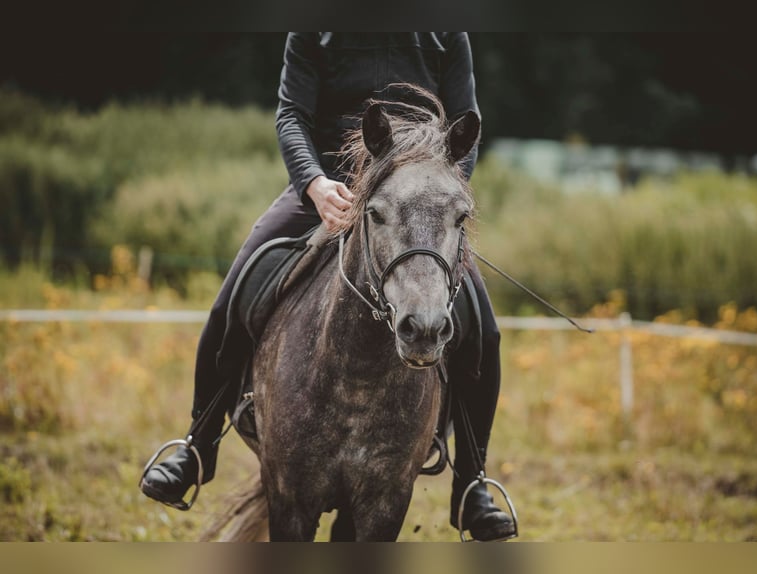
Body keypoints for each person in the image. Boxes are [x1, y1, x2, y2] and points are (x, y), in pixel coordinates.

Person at [140, 32, 515, 541]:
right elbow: (291, 115)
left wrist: (438, 190)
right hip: (329, 185)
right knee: (235, 292)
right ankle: (197, 445)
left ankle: (472, 485)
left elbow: (466, 124)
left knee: (484, 332)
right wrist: (313, 183)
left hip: (415, 196)